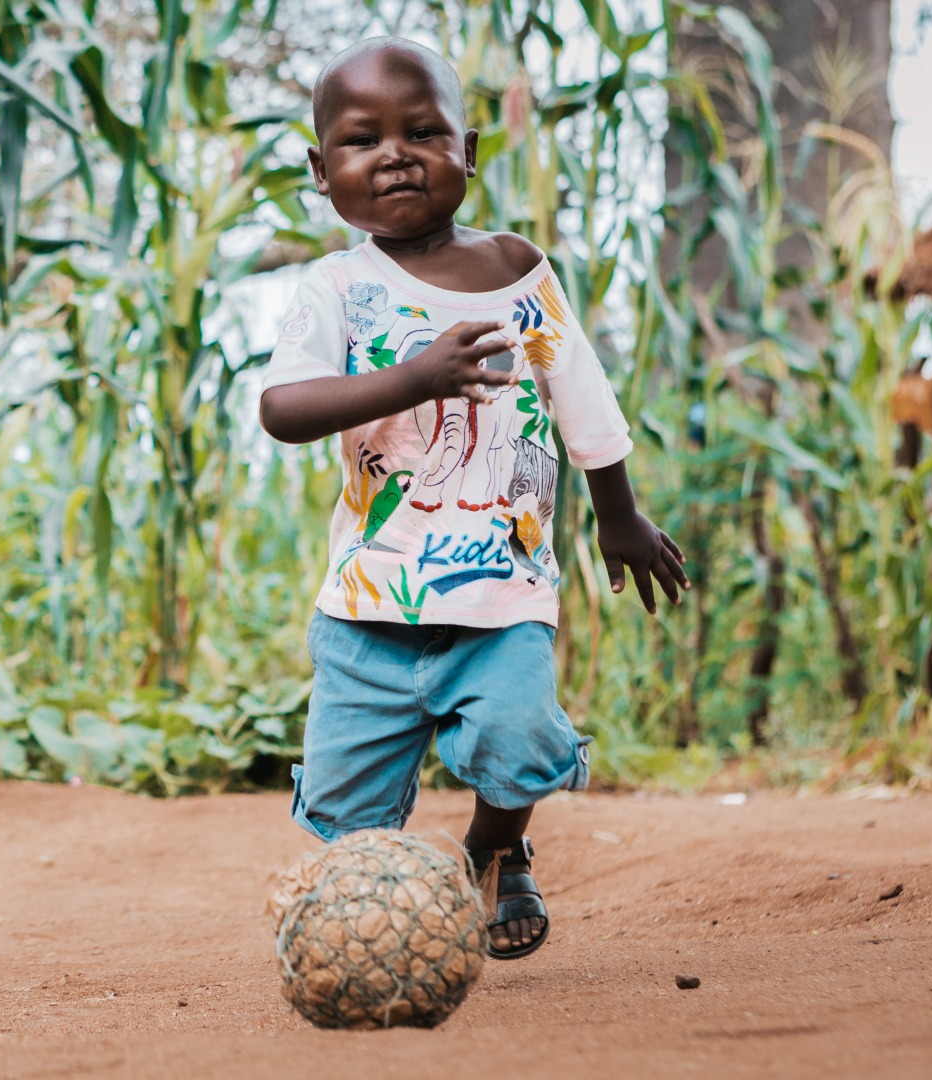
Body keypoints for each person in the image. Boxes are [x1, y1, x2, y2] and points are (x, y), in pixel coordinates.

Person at [255, 37, 689, 959]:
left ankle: (496, 846)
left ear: (471, 151)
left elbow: (584, 396)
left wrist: (618, 513)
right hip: (371, 606)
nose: (395, 153)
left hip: (502, 593)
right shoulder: (335, 288)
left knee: (519, 736)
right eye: (360, 139)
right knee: (346, 815)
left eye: (423, 131)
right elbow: (284, 409)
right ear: (319, 171)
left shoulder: (520, 272)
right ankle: (366, 929)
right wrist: (416, 377)